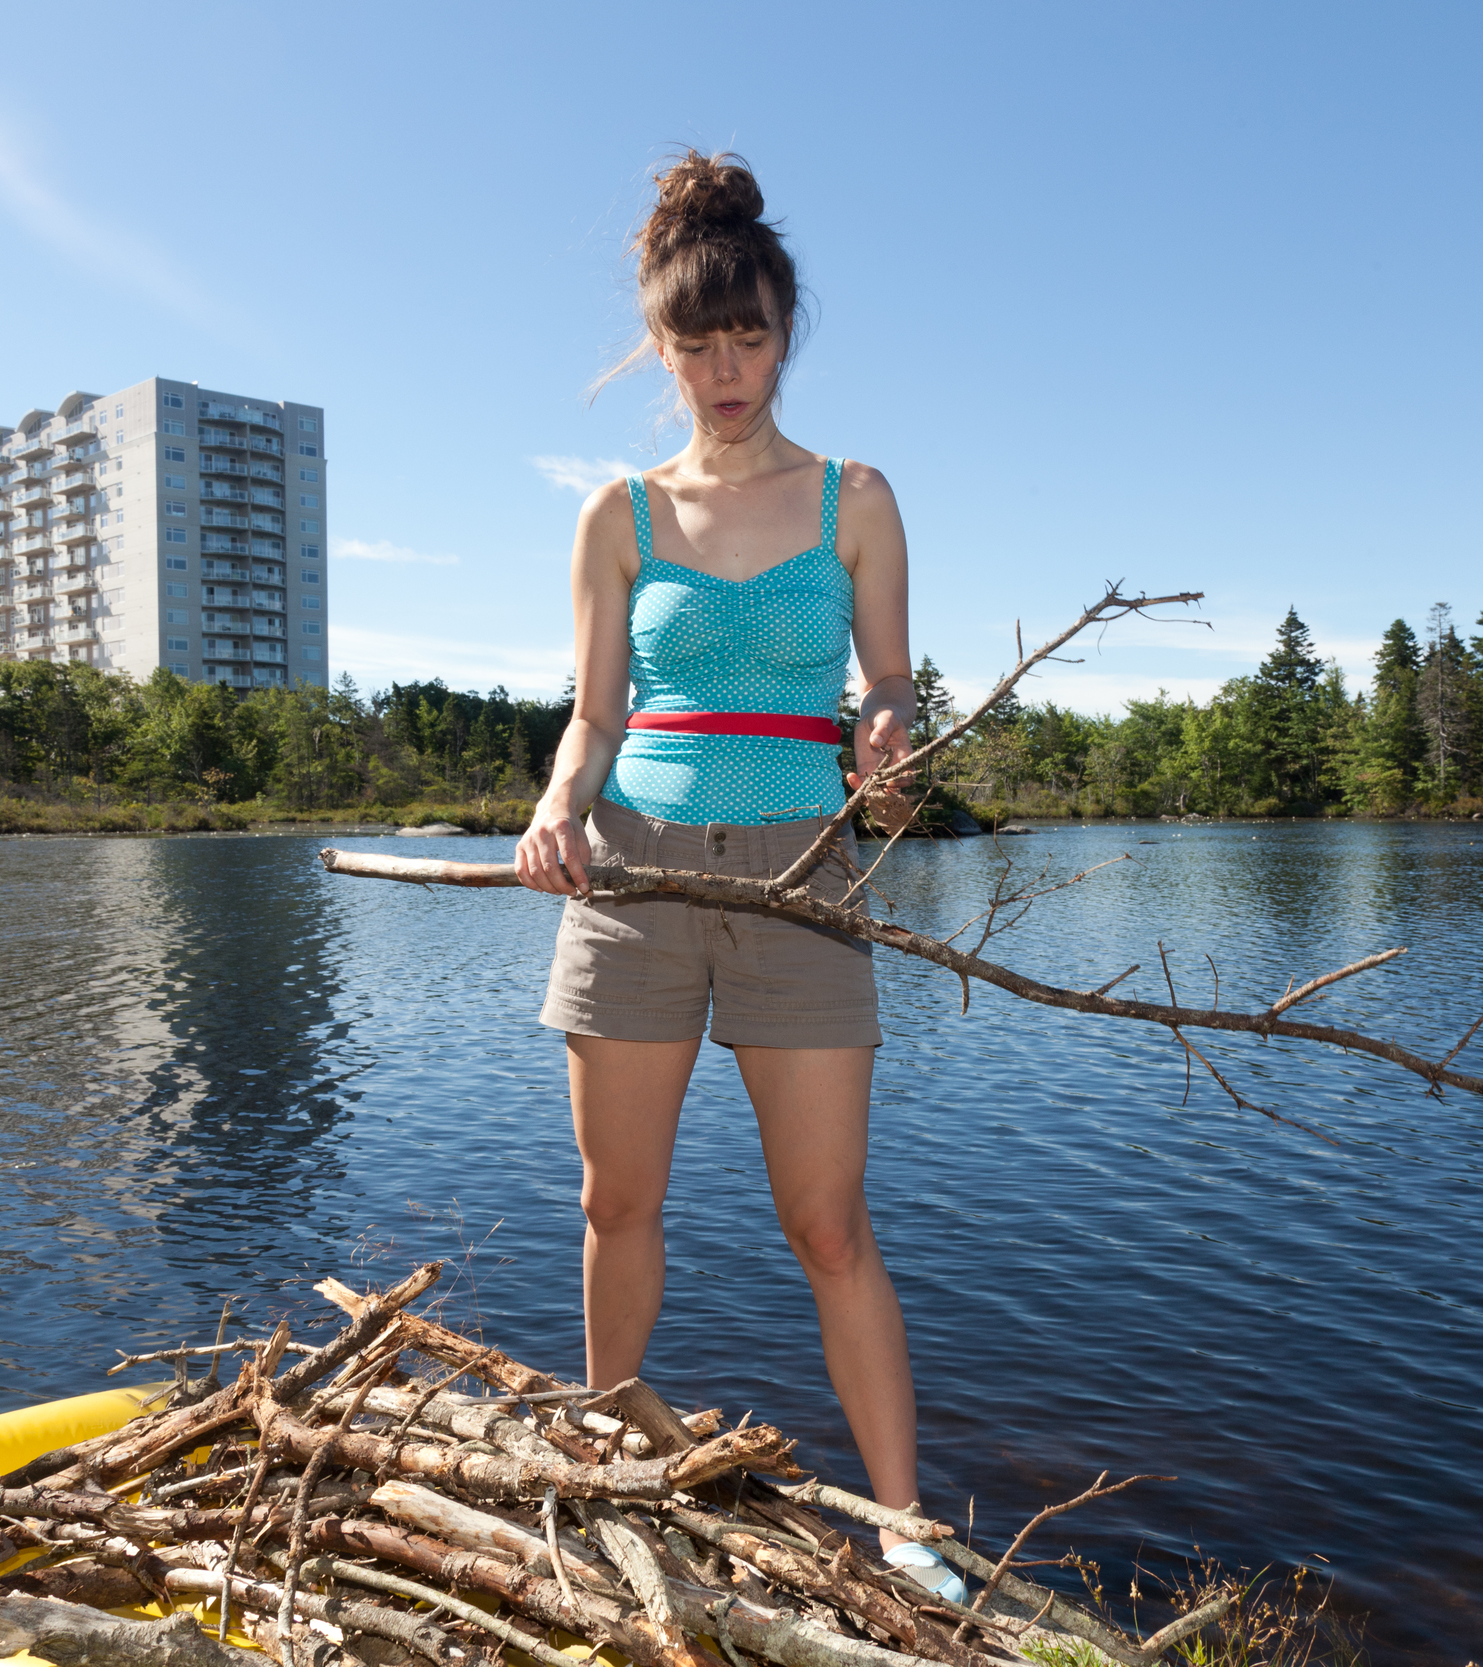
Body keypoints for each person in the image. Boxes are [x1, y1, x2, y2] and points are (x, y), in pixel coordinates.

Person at [513, 151, 962, 1600]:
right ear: (662, 346)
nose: (726, 369)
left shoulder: (856, 501)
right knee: (612, 1205)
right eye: (696, 343)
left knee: (829, 1223)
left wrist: (889, 736)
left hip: (805, 878)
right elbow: (595, 713)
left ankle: (906, 1525)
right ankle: (613, 1460)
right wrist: (554, 801)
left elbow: (885, 685)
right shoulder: (617, 518)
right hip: (634, 878)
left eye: (750, 336)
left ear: (785, 326)